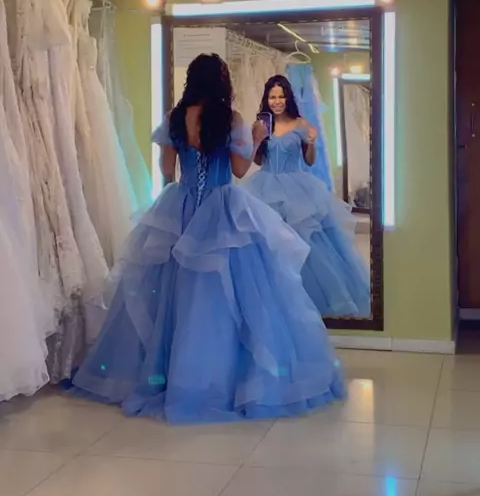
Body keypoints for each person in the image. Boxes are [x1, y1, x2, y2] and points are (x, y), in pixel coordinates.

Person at [71, 54, 344, 423]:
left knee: (174, 292)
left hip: (181, 209)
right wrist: (257, 138)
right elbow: (239, 170)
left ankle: (170, 374)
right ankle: (219, 376)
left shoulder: (175, 117)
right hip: (221, 209)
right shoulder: (230, 119)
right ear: (221, 82)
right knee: (226, 293)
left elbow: (167, 171)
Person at [245, 75, 371, 318]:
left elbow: (309, 161)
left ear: (288, 98)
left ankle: (315, 300)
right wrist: (257, 140)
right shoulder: (261, 125)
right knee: (268, 243)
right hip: (265, 186)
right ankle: (277, 300)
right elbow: (258, 160)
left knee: (309, 243)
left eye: (281, 96)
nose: (277, 101)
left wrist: (311, 142)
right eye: (272, 97)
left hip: (297, 187)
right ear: (266, 99)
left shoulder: (300, 124)